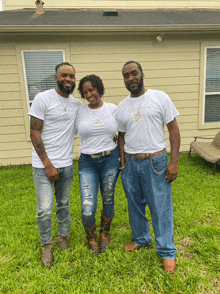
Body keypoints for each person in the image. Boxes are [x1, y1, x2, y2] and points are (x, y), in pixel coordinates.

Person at [117, 61, 180, 273]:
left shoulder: (160, 97)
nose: (130, 78)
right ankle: (141, 238)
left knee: (160, 207)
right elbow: (122, 137)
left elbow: (173, 130)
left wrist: (174, 161)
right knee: (135, 204)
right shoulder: (122, 106)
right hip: (131, 162)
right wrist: (123, 163)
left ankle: (167, 252)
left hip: (156, 162)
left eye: (134, 73)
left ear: (142, 74)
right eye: (126, 75)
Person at [28, 62, 83, 267]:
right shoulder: (43, 99)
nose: (68, 79)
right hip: (43, 166)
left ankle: (62, 237)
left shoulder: (77, 105)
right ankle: (46, 245)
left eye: (72, 76)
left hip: (66, 164)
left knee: (63, 205)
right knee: (44, 208)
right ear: (56, 78)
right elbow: (34, 134)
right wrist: (48, 164)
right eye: (64, 75)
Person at [75, 74, 120, 256]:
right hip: (87, 161)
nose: (89, 94)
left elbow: (123, 132)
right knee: (87, 205)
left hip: (110, 158)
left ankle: (104, 234)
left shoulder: (113, 109)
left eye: (91, 90)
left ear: (99, 89)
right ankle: (91, 236)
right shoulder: (80, 111)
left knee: (108, 197)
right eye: (85, 92)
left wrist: (123, 157)